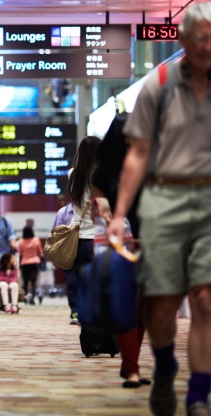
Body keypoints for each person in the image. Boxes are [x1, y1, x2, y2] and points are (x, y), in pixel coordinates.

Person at [107, 4, 211, 414]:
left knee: (205, 301)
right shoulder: (159, 83)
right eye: (200, 37)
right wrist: (119, 214)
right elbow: (138, 154)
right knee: (162, 304)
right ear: (183, 40)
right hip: (164, 200)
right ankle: (165, 367)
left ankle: (200, 393)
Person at [91, 112, 150, 390]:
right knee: (128, 307)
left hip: (153, 242)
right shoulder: (103, 174)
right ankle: (133, 368)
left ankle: (130, 365)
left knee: (145, 309)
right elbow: (102, 213)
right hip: (121, 245)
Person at [64, 136, 102, 325]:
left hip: (78, 241)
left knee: (83, 287)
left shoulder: (72, 174)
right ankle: (100, 328)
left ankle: (87, 330)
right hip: (99, 240)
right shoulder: (103, 175)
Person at [17, 225, 43, 305]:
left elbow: (20, 254)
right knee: (33, 282)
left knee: (25, 282)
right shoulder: (36, 240)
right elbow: (40, 252)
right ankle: (32, 299)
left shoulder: (21, 241)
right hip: (35, 263)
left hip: (25, 263)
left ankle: (24, 298)